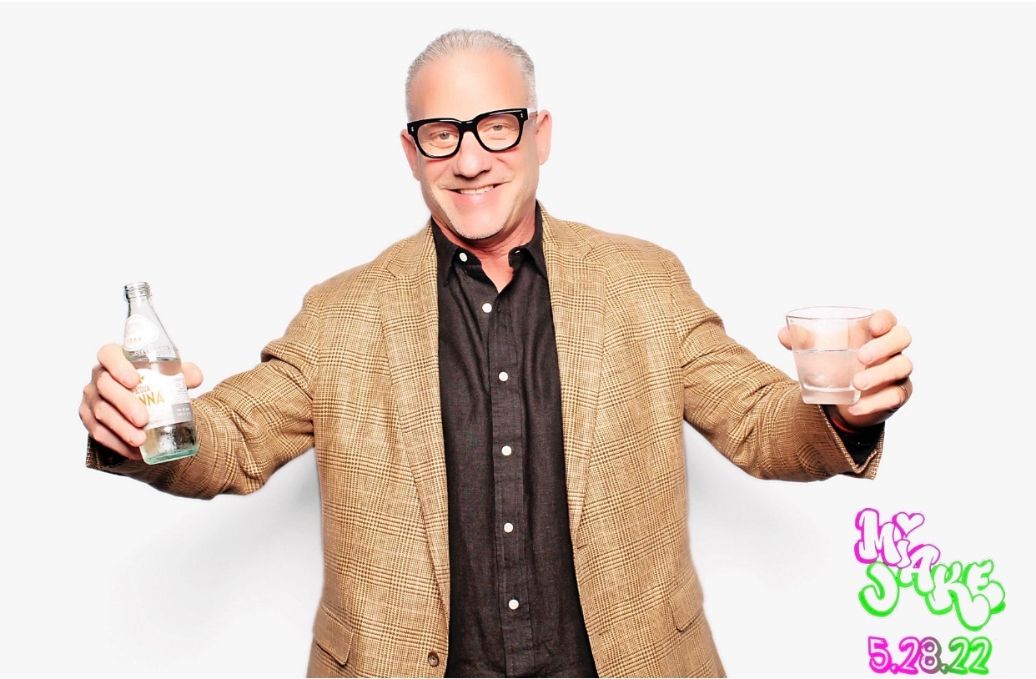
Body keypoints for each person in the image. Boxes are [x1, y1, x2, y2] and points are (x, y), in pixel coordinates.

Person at [79, 29, 913, 678]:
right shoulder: (342, 315)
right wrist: (143, 427)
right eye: (441, 133)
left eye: (497, 126)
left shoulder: (645, 284)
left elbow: (760, 422)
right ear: (411, 151)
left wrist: (841, 409)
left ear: (540, 134)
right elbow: (231, 438)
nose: (471, 159)